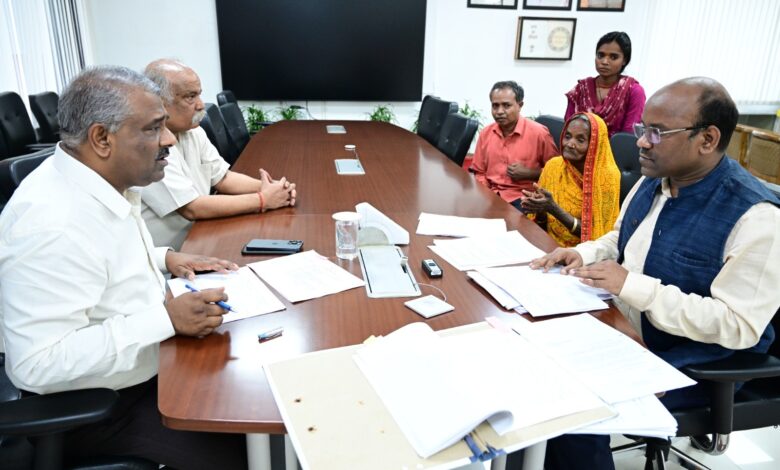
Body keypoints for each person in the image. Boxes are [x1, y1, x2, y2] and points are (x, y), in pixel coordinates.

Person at [0, 66, 248, 469]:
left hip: (146, 370)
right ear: (102, 138)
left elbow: (99, 259)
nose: (169, 140)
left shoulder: (96, 181)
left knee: (244, 394)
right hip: (100, 409)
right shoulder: (51, 223)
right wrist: (165, 320)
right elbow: (38, 363)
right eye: (153, 128)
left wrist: (164, 258)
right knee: (246, 452)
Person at [525, 77, 780, 469]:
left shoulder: (757, 217)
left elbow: (738, 326)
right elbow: (621, 237)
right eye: (643, 128)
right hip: (627, 330)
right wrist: (581, 253)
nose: (642, 142)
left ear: (707, 139)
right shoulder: (654, 179)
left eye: (657, 133)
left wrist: (633, 286)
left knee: (576, 409)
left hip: (695, 362)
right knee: (535, 365)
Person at [141, 58, 297, 250]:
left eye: (199, 95)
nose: (201, 105)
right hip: (174, 253)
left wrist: (273, 188)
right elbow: (191, 208)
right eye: (190, 97)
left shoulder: (193, 131)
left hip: (204, 234)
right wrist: (263, 199)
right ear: (159, 102)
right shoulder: (150, 146)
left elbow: (223, 178)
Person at [520, 112, 620, 247]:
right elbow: (543, 222)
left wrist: (554, 209)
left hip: (581, 253)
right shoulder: (554, 166)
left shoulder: (607, 177)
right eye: (567, 136)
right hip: (547, 242)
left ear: (595, 145)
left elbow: (597, 237)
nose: (570, 144)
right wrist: (539, 209)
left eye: (580, 140)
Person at [471, 80, 558, 210]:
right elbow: (479, 172)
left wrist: (531, 173)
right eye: (495, 106)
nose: (499, 111)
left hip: (523, 197)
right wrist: (485, 192)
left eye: (506, 105)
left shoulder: (539, 134)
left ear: (520, 105)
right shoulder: (486, 133)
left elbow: (557, 173)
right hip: (491, 193)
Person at [565, 31, 646, 137]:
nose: (604, 62)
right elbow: (568, 127)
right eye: (600, 55)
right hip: (577, 146)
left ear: (624, 60)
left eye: (613, 57)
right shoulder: (581, 89)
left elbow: (628, 136)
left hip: (615, 147)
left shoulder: (633, 91)